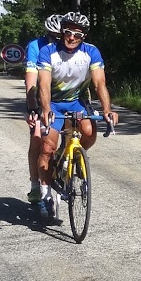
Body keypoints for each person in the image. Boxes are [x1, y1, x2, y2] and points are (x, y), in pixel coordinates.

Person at [36, 11, 117, 218]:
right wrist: (45, 110)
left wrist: (107, 110)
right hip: (53, 102)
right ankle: (45, 193)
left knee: (89, 133)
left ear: (84, 36)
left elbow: (99, 83)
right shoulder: (48, 51)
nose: (72, 37)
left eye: (77, 34)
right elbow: (43, 84)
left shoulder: (91, 52)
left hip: (77, 102)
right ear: (62, 32)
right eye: (68, 32)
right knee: (47, 146)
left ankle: (68, 161)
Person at [24, 14, 62, 206]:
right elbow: (31, 79)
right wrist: (32, 107)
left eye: (60, 35)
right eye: (53, 36)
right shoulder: (36, 46)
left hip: (64, 97)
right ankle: (35, 186)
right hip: (41, 95)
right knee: (37, 139)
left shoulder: (71, 47)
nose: (58, 39)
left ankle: (67, 164)